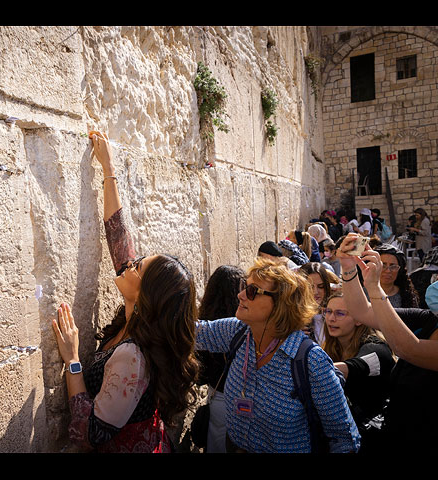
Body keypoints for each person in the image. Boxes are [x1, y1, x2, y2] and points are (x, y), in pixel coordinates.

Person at [52, 131, 200, 453]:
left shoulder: (132, 357)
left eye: (138, 267)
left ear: (147, 296)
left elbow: (88, 435)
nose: (129, 265)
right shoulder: (138, 321)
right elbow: (119, 237)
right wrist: (108, 169)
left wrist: (73, 360)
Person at [195, 257, 360, 453]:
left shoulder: (310, 361)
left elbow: (344, 438)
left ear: (281, 304)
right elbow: (193, 333)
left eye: (252, 291)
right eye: (244, 287)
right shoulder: (238, 332)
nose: (240, 295)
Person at [336, 234, 438, 453]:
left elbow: (408, 348)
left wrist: (374, 287)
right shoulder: (428, 319)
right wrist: (348, 268)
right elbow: (362, 312)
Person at [321, 290, 394, 453]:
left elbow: (355, 366)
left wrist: (312, 367)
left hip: (373, 439)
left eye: (340, 313)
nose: (331, 318)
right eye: (328, 311)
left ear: (359, 320)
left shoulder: (376, 349)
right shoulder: (331, 347)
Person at [194, 265, 246, 453]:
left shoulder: (208, 324)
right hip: (244, 401)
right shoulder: (243, 328)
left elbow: (201, 372)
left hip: (217, 395)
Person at [298, 262, 340, 345]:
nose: (315, 292)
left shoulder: (335, 314)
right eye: (309, 287)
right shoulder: (291, 316)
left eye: (321, 287)